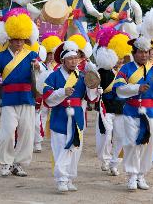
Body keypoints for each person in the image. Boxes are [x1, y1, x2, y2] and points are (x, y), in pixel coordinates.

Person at [0, 8, 43, 177]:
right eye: (15, 39)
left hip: (27, 98)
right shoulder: (0, 57)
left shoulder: (32, 55)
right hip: (9, 98)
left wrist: (38, 67)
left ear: (25, 38)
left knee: (26, 133)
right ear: (9, 39)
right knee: (7, 133)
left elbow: (42, 73)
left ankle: (18, 164)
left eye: (21, 39)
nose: (19, 42)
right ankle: (6, 163)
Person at [113, 36, 153, 191]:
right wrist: (136, 88)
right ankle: (132, 176)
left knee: (149, 144)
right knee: (131, 142)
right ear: (134, 53)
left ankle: (141, 175)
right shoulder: (125, 68)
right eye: (141, 52)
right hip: (131, 111)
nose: (144, 55)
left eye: (146, 52)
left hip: (152, 112)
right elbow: (118, 89)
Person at [43, 41, 99, 192]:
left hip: (77, 115)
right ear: (62, 61)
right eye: (70, 58)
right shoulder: (52, 76)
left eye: (76, 58)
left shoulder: (82, 76)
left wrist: (94, 88)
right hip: (60, 115)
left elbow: (91, 98)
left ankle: (69, 178)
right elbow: (47, 98)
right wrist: (62, 92)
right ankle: (61, 178)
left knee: (75, 149)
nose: (74, 61)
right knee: (61, 147)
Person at [93, 30, 132, 176]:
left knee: (121, 137)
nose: (120, 59)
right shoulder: (102, 71)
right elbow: (92, 87)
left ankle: (115, 163)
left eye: (122, 55)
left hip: (122, 108)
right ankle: (105, 160)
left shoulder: (128, 71)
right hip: (105, 108)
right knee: (106, 136)